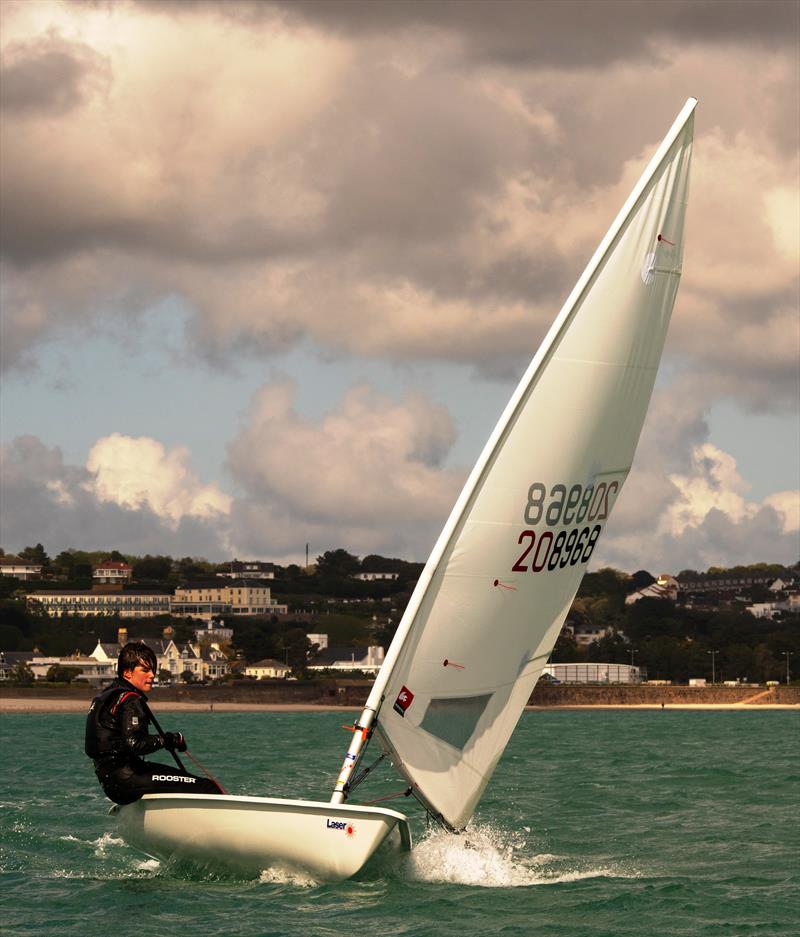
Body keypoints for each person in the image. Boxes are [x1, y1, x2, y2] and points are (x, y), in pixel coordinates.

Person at [85, 641, 223, 804]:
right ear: (128, 672)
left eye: (153, 670)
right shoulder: (130, 700)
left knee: (181, 781)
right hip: (128, 778)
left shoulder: (105, 696)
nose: (152, 675)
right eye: (145, 670)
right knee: (208, 787)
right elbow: (135, 744)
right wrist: (169, 739)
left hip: (110, 783)